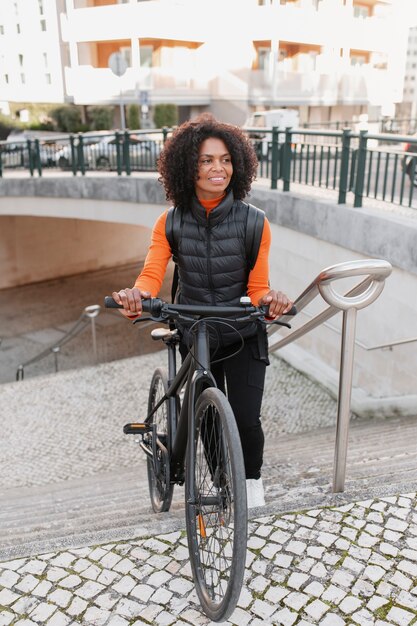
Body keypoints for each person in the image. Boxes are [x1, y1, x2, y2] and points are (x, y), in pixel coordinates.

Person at [112, 113, 293, 508]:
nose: (218, 168)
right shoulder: (170, 222)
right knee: (208, 415)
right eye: (207, 160)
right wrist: (135, 297)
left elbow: (258, 288)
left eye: (226, 159)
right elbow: (150, 276)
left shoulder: (254, 222)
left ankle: (250, 483)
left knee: (246, 420)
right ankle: (223, 484)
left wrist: (271, 301)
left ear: (237, 165)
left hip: (242, 330)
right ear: (187, 168)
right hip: (197, 330)